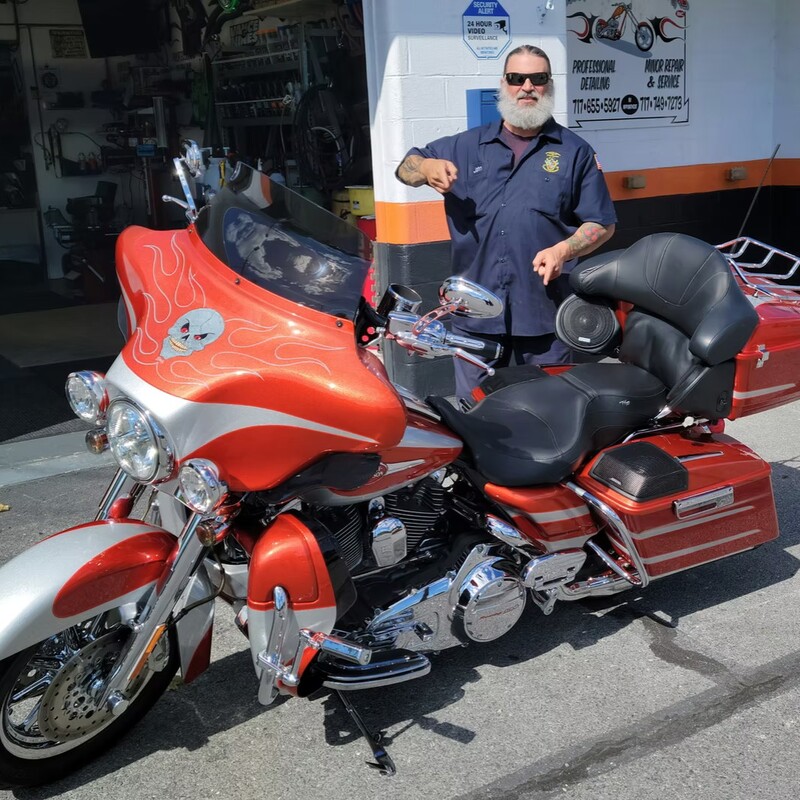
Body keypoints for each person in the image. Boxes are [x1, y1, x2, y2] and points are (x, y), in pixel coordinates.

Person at [395, 44, 617, 399]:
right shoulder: (466, 146)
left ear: (549, 85)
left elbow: (601, 224)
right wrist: (425, 167)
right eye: (517, 78)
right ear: (504, 84)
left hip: (545, 321)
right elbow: (405, 167)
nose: (527, 86)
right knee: (476, 418)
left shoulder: (575, 152)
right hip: (474, 321)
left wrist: (564, 249)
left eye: (538, 78)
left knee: (547, 418)